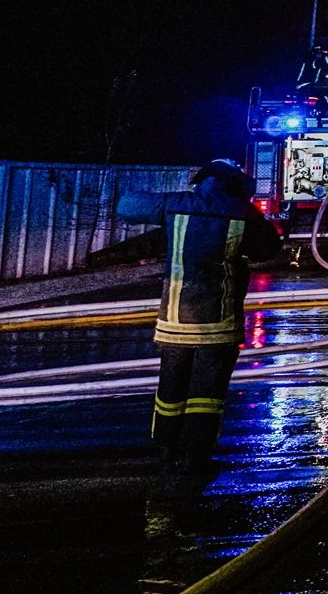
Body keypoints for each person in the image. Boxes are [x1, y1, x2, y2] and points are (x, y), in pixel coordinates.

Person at [116, 159, 282, 471]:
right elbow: (269, 249)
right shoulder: (242, 214)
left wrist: (172, 200)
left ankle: (166, 448)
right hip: (219, 323)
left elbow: (126, 204)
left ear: (202, 181)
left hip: (175, 322)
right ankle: (196, 455)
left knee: (170, 389)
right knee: (208, 394)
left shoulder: (176, 205)